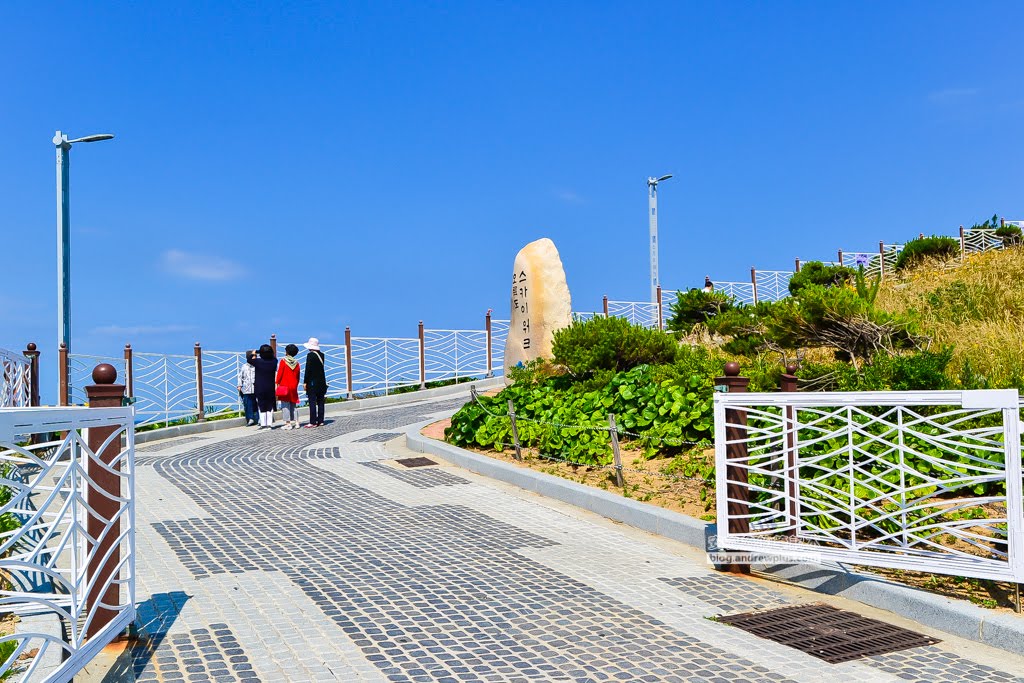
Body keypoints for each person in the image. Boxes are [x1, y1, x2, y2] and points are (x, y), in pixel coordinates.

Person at [248, 344, 278, 429]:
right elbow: (273, 358)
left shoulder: (258, 361)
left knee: (261, 405)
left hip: (259, 387)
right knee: (269, 406)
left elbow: (249, 360)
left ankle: (263, 424)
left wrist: (254, 353)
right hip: (270, 387)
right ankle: (269, 424)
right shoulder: (274, 361)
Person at [302, 337, 327, 428]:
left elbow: (308, 369)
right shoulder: (322, 355)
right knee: (320, 401)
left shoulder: (310, 355)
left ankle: (312, 422)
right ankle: (321, 420)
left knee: (312, 402)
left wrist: (305, 382)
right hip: (321, 382)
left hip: (312, 382)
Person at [276, 344, 302, 430]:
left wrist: (277, 383)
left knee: (285, 405)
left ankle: (288, 423)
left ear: (287, 352)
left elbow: (280, 374)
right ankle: (297, 422)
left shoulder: (283, 361)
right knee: (293, 404)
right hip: (293, 386)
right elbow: (298, 376)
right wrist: (296, 384)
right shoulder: (297, 363)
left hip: (284, 386)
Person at [238, 350, 258, 426]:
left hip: (256, 388)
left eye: (255, 356)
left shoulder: (257, 366)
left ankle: (258, 418)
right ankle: (250, 419)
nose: (255, 357)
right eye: (253, 356)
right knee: (248, 404)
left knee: (257, 404)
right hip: (247, 389)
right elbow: (240, 377)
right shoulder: (244, 366)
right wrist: (239, 385)